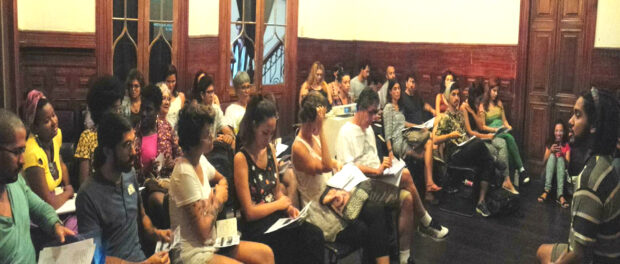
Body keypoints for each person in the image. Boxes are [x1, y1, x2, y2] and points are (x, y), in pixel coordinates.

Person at [336, 88, 449, 263]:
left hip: (376, 179)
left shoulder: (369, 130)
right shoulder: (346, 132)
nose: (374, 117)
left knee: (408, 198)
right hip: (359, 187)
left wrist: (385, 164)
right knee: (405, 175)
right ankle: (425, 221)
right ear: (360, 109)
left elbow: (372, 160)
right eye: (371, 113)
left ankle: (405, 257)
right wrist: (376, 170)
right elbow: (347, 168)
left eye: (376, 113)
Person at [293, 92, 399, 264]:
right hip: (321, 207)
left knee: (376, 210)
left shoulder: (313, 138)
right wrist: (321, 131)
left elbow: (330, 163)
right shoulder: (299, 147)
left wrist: (339, 166)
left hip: (334, 194)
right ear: (311, 120)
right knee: (366, 229)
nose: (323, 123)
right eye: (321, 120)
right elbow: (325, 165)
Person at [169, 103, 274, 264]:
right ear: (193, 139)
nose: (212, 135)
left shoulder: (201, 160)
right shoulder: (184, 173)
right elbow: (203, 231)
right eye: (206, 133)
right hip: (192, 254)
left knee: (266, 254)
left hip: (212, 242)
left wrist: (212, 202)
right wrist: (217, 200)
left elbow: (222, 180)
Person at [234, 94, 325, 264]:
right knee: (294, 243)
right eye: (265, 133)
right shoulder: (241, 158)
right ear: (254, 126)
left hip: (274, 217)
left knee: (314, 234)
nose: (268, 138)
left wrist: (289, 208)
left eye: (271, 133)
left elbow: (276, 191)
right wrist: (280, 204)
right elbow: (249, 212)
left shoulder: (269, 149)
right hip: (257, 226)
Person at [536, 88, 619, 264]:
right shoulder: (607, 163)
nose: (570, 121)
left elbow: (579, 255)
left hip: (597, 258)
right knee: (542, 251)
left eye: (578, 115)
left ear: (594, 125)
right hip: (601, 249)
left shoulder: (589, 180)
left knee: (544, 255)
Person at [76, 112, 171, 263]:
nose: (134, 151)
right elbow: (94, 257)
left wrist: (157, 234)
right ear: (107, 151)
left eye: (133, 143)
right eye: (127, 145)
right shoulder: (88, 195)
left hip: (140, 258)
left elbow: (142, 216)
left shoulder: (129, 174)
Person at [0, 109, 75, 263]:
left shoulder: (16, 183)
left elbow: (40, 208)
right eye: (16, 152)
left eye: (23, 150)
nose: (23, 160)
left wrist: (55, 225)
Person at [432, 84, 504, 217]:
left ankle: (481, 202)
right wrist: (450, 135)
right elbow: (435, 139)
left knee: (486, 161)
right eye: (453, 95)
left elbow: (469, 132)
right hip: (455, 155)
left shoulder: (460, 113)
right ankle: (495, 162)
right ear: (448, 97)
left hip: (466, 149)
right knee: (479, 144)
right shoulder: (445, 117)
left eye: (458, 94)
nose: (456, 98)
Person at [134, 84, 182, 228]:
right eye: (142, 109)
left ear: (156, 110)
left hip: (169, 182)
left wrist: (171, 163)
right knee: (158, 199)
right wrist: (146, 169)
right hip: (145, 188)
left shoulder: (166, 129)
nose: (144, 114)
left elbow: (181, 157)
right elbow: (128, 171)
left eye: (148, 110)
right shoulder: (134, 135)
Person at [21, 90, 74, 210]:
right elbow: (48, 203)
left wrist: (68, 186)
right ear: (35, 127)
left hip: (59, 203)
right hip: (37, 213)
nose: (54, 122)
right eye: (46, 121)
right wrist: (68, 193)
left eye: (54, 115)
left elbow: (60, 163)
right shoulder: (31, 152)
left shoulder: (56, 135)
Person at [74, 76, 125, 185]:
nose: (118, 113)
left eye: (119, 108)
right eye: (115, 109)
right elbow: (83, 183)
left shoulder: (122, 137)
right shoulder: (87, 137)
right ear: (102, 110)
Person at [396, 75, 440, 199]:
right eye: (411, 82)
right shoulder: (402, 99)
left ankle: (429, 187)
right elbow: (402, 122)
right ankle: (429, 187)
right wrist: (417, 126)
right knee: (431, 141)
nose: (413, 85)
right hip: (411, 133)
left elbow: (424, 105)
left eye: (415, 82)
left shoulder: (416, 96)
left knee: (429, 143)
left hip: (421, 131)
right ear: (406, 83)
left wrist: (432, 110)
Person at [478, 78, 528, 184]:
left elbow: (504, 120)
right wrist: (495, 129)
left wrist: (508, 126)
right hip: (492, 133)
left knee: (509, 139)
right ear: (489, 90)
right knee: (510, 138)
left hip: (502, 131)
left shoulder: (499, 103)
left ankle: (512, 178)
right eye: (494, 91)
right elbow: (482, 127)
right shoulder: (483, 106)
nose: (496, 93)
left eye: (497, 91)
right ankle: (521, 170)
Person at [191, 75, 236, 147]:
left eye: (213, 92)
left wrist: (229, 136)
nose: (212, 95)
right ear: (202, 95)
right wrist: (213, 141)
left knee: (233, 142)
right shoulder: (196, 111)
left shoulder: (216, 109)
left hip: (213, 149)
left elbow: (225, 127)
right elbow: (196, 139)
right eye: (209, 92)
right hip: (199, 149)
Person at [538, 119, 571, 208]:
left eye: (560, 131)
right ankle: (546, 190)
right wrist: (550, 151)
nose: (558, 133)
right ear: (553, 132)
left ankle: (560, 195)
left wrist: (562, 155)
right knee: (552, 156)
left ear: (564, 132)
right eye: (556, 131)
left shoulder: (566, 145)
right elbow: (543, 162)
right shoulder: (550, 144)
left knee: (560, 158)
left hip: (561, 175)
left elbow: (568, 164)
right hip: (548, 174)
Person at [165, 65, 185, 129]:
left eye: (173, 81)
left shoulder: (181, 97)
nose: (171, 85)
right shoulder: (161, 98)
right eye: (168, 81)